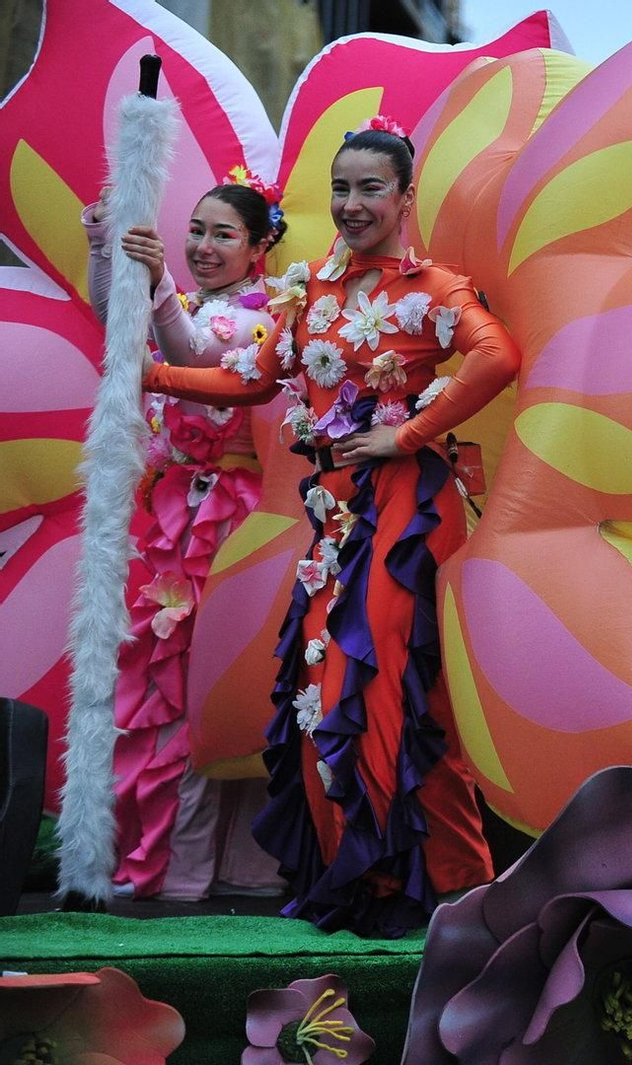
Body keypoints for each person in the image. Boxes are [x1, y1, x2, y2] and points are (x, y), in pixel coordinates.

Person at [140, 118, 516, 936]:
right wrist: (152, 372)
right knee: (321, 691)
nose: (351, 203)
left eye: (369, 187)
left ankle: (442, 882)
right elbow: (249, 378)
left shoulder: (431, 288)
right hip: (334, 514)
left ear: (406, 196)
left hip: (407, 512)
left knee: (379, 687)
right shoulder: (307, 288)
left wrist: (407, 433)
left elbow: (497, 355)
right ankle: (383, 879)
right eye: (341, 188)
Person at [84, 171, 286, 901]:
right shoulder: (201, 301)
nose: (203, 245)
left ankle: (214, 870)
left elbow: (194, 354)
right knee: (165, 686)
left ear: (260, 246)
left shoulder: (264, 317)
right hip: (177, 513)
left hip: (229, 523)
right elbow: (122, 322)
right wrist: (105, 244)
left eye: (222, 234)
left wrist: (159, 279)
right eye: (195, 230)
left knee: (210, 688)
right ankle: (174, 863)